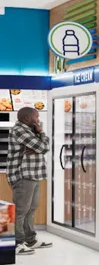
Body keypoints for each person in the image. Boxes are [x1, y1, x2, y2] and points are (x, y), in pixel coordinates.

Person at [6, 107, 52, 255]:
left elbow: (45, 147)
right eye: (36, 117)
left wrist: (40, 143)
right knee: (21, 210)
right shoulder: (20, 130)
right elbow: (42, 146)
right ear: (27, 119)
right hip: (23, 175)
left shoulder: (31, 130)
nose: (38, 120)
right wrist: (41, 138)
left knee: (31, 208)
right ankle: (17, 243)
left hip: (34, 174)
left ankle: (30, 239)